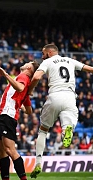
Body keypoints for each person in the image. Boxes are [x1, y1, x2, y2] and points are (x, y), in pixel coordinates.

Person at [28, 44, 93, 178]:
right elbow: (89, 69)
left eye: (43, 53)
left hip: (54, 96)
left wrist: (30, 90)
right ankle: (66, 130)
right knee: (69, 124)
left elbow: (36, 77)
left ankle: (38, 163)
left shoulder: (47, 62)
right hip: (70, 97)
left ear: (50, 52)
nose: (42, 56)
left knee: (43, 130)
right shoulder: (70, 60)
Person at [0, 61, 39, 180]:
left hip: (7, 116)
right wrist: (20, 104)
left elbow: (19, 87)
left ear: (29, 68)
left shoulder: (23, 77)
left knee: (9, 149)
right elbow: (29, 111)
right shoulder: (25, 84)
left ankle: (23, 178)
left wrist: (5, 74)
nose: (25, 63)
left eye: (28, 63)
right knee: (0, 151)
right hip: (0, 115)